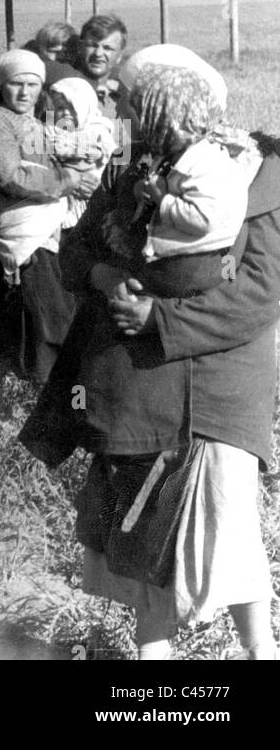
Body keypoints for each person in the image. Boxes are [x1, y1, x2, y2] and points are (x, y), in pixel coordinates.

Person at [20, 46, 278, 660]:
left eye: (130, 101)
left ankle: (260, 654)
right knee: (147, 527)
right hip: (140, 383)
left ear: (166, 102)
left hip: (221, 384)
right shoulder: (128, 172)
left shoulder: (261, 175)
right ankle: (153, 669)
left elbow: (261, 293)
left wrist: (158, 316)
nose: (119, 112)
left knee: (226, 523)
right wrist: (108, 280)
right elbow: (78, 251)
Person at [0, 50, 94, 384]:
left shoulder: (36, 123)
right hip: (18, 229)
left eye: (32, 84)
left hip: (43, 226)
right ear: (2, 84)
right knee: (47, 310)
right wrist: (65, 182)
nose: (25, 92)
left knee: (35, 307)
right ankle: (46, 385)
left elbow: (63, 157)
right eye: (16, 84)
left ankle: (6, 377)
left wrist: (79, 175)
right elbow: (7, 174)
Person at [47, 77, 116, 233]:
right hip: (64, 196)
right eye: (59, 108)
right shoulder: (52, 131)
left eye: (72, 107)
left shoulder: (98, 130)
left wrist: (97, 154)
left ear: (85, 106)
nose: (65, 113)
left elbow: (112, 156)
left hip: (94, 193)